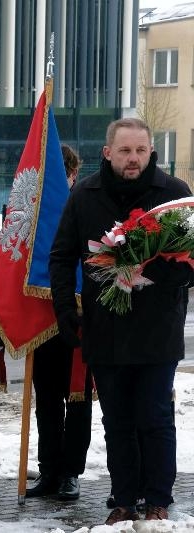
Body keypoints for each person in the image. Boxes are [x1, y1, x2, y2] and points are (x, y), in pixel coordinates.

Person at [49, 118, 191, 525]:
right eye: (125, 151)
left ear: (152, 152)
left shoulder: (174, 194)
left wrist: (150, 272)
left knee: (154, 416)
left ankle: (159, 498)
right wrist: (64, 310)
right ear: (107, 152)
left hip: (157, 330)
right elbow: (60, 257)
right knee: (117, 421)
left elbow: (191, 262)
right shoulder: (84, 195)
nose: (133, 159)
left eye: (141, 151)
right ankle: (125, 498)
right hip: (104, 330)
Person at [25, 144, 94, 501]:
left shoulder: (85, 206)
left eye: (63, 175)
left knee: (77, 400)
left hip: (78, 317)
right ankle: (49, 469)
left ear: (72, 176)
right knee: (46, 400)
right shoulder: (32, 214)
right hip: (42, 318)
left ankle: (71, 472)